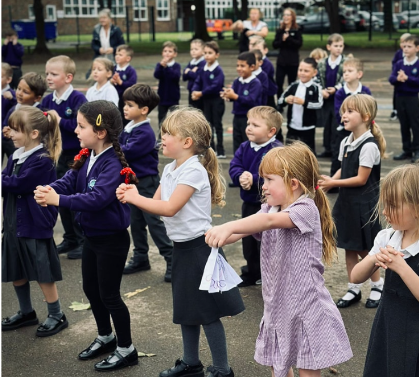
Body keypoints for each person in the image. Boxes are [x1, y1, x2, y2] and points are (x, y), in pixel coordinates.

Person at [205, 142, 353, 377]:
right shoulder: (269, 209)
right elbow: (244, 230)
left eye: (269, 180)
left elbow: (268, 223)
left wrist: (228, 225)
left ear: (293, 183)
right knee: (279, 365)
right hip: (277, 304)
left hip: (306, 305)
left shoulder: (305, 208)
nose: (262, 186)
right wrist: (219, 234)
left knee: (308, 368)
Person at [116, 107, 245, 377]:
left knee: (208, 313)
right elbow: (157, 203)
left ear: (187, 142)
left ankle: (223, 370)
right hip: (182, 249)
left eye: (167, 134)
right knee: (186, 310)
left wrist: (134, 198)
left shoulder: (194, 171)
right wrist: (136, 193)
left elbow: (170, 208)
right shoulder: (171, 168)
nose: (161, 138)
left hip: (200, 248)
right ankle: (191, 362)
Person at [34, 100, 139, 372]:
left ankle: (127, 349)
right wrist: (49, 189)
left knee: (110, 295)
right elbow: (69, 180)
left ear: (101, 132)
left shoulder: (113, 163)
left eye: (82, 126)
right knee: (91, 289)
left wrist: (59, 200)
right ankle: (106, 336)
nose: (76, 131)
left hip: (111, 241)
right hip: (92, 237)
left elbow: (97, 199)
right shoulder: (88, 154)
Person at [351, 159, 419, 376]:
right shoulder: (387, 236)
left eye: (393, 206)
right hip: (389, 333)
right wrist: (373, 260)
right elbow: (355, 277)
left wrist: (401, 267)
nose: (385, 212)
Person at [2, 107, 67, 337]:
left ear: (34, 134)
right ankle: (26, 311)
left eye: (16, 130)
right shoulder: (18, 154)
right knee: (16, 268)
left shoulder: (42, 160)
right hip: (13, 224)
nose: (10, 133)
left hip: (34, 224)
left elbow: (18, 184)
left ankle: (56, 314)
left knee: (42, 272)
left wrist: (3, 178)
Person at [319, 94, 386, 309]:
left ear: (365, 116)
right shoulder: (346, 142)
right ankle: (353, 287)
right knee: (348, 247)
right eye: (343, 111)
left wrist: (335, 184)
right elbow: (343, 169)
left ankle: (377, 285)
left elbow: (361, 179)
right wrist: (331, 181)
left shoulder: (369, 145)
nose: (343, 115)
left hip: (364, 205)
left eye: (349, 111)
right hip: (347, 203)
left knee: (366, 249)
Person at [119, 84, 173, 280]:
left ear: (143, 110)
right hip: (133, 184)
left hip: (147, 183)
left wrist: (111, 145)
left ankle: (171, 259)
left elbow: (126, 152)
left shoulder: (145, 132)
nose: (125, 108)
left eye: (130, 105)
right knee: (135, 222)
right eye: (125, 104)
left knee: (154, 222)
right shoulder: (129, 128)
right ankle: (141, 257)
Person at [229, 106, 283, 287]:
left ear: (271, 131)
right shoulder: (245, 147)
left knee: (267, 242)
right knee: (248, 240)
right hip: (250, 203)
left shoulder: (276, 150)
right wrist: (240, 177)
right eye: (248, 123)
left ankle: (269, 275)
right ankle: (252, 271)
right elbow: (234, 166)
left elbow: (277, 175)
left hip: (270, 205)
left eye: (255, 125)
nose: (249, 128)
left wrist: (253, 178)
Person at [41, 55, 88, 259]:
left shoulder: (77, 99)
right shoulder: (47, 100)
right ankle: (69, 237)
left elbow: (81, 127)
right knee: (58, 197)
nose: (48, 78)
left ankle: (81, 239)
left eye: (53, 74)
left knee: (74, 198)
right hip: (55, 155)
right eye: (47, 74)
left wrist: (59, 120)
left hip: (73, 155)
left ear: (68, 77)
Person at [332, 58, 372, 175]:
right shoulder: (340, 92)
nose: (346, 74)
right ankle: (333, 185)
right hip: (343, 130)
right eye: (344, 71)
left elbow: (369, 111)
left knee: (358, 157)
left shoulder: (365, 91)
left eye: (350, 71)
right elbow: (338, 113)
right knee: (338, 158)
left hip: (361, 131)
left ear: (359, 74)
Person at [389, 34, 419, 162]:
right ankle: (407, 149)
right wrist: (398, 79)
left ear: (417, 48)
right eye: (404, 46)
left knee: (415, 124)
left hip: (412, 98)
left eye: (409, 46)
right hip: (400, 97)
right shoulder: (399, 63)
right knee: (403, 124)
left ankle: (418, 150)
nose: (406, 48)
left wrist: (407, 78)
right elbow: (391, 78)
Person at [278, 57, 323, 153]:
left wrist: (304, 103)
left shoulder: (315, 87)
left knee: (307, 153)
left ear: (314, 73)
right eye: (300, 70)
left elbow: (319, 104)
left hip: (308, 128)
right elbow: (280, 100)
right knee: (290, 152)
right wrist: (286, 100)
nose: (302, 73)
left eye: (306, 71)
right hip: (292, 126)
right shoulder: (293, 85)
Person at [221, 51, 263, 153]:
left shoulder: (255, 83)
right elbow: (234, 95)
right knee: (237, 141)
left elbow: (250, 100)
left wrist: (234, 96)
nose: (239, 68)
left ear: (252, 67)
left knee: (248, 142)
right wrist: (227, 95)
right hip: (237, 117)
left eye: (242, 66)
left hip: (250, 119)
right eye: (238, 65)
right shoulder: (237, 81)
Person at [192, 41, 226, 159]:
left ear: (217, 55)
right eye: (205, 53)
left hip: (216, 101)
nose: (207, 55)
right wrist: (194, 91)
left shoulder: (218, 70)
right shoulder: (203, 68)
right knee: (208, 125)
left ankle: (220, 149)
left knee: (217, 125)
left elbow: (216, 86)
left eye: (210, 53)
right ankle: (211, 149)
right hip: (206, 101)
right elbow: (198, 81)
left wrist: (201, 93)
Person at [2, 72, 48, 161]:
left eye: (25, 92)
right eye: (18, 89)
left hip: (30, 155)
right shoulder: (13, 109)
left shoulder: (40, 113)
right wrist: (5, 132)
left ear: (37, 98)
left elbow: (42, 136)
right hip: (13, 152)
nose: (19, 93)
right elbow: (5, 125)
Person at [318, 34, 346, 169]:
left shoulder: (345, 62)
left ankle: (335, 147)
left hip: (338, 97)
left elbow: (345, 79)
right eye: (336, 46)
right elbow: (318, 78)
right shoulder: (322, 63)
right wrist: (322, 90)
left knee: (336, 122)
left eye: (341, 46)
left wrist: (336, 88)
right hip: (326, 97)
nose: (338, 49)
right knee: (327, 123)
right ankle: (327, 147)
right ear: (329, 47)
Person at [273, 8, 303, 100]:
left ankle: (291, 103)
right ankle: (280, 101)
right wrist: (282, 40)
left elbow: (299, 44)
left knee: (291, 83)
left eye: (288, 15)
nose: (285, 17)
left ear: (292, 17)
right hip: (281, 61)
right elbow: (275, 45)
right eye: (284, 15)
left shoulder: (297, 30)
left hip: (292, 62)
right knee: (279, 83)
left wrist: (289, 38)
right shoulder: (280, 31)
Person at [154, 41, 181, 126]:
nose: (167, 53)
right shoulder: (159, 65)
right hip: (162, 97)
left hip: (173, 97)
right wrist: (161, 67)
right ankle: (161, 137)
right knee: (161, 119)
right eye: (165, 51)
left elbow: (175, 77)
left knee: (173, 120)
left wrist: (167, 67)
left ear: (175, 54)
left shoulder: (176, 66)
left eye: (170, 51)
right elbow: (156, 75)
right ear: (162, 53)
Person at [249, 36, 278, 109]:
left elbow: (261, 76)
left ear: (265, 50)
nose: (257, 53)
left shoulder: (266, 63)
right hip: (261, 91)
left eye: (259, 50)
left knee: (269, 110)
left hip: (269, 92)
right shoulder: (255, 62)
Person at [111, 44, 138, 126]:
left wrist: (121, 82)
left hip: (125, 100)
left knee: (125, 119)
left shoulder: (131, 70)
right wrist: (111, 81)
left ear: (128, 58)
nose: (117, 56)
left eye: (120, 55)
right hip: (113, 99)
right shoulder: (113, 69)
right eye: (116, 54)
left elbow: (132, 84)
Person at [390, 33, 411, 121]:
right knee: (396, 94)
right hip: (398, 78)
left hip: (407, 78)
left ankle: (406, 110)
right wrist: (397, 73)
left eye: (406, 44)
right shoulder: (398, 53)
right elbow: (394, 63)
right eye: (402, 42)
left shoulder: (411, 54)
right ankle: (395, 110)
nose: (403, 45)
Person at [183, 39, 206, 111]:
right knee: (191, 110)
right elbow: (184, 76)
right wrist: (191, 72)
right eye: (191, 49)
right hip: (191, 90)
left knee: (199, 110)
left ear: (203, 51)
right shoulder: (191, 62)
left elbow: (198, 77)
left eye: (196, 49)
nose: (193, 51)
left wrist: (189, 72)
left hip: (199, 92)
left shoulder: (203, 63)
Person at [2, 63, 17, 163]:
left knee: (13, 161)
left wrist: (12, 99)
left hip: (8, 137)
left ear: (8, 80)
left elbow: (19, 106)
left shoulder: (12, 94)